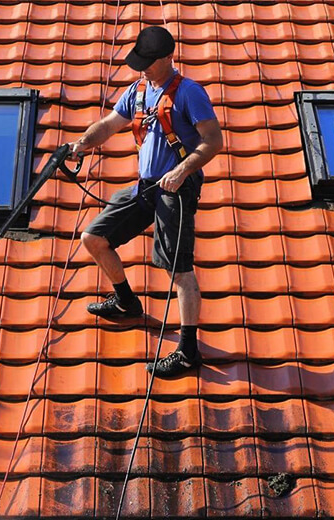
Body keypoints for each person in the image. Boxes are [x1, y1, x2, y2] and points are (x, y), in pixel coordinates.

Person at [70, 26, 223, 378]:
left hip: (176, 190)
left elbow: (213, 141)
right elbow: (109, 125)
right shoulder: (138, 91)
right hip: (146, 186)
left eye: (149, 63)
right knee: (94, 238)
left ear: (168, 57)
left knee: (178, 270)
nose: (143, 69)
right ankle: (125, 301)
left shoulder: (190, 93)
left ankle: (187, 351)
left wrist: (183, 171)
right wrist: (82, 143)